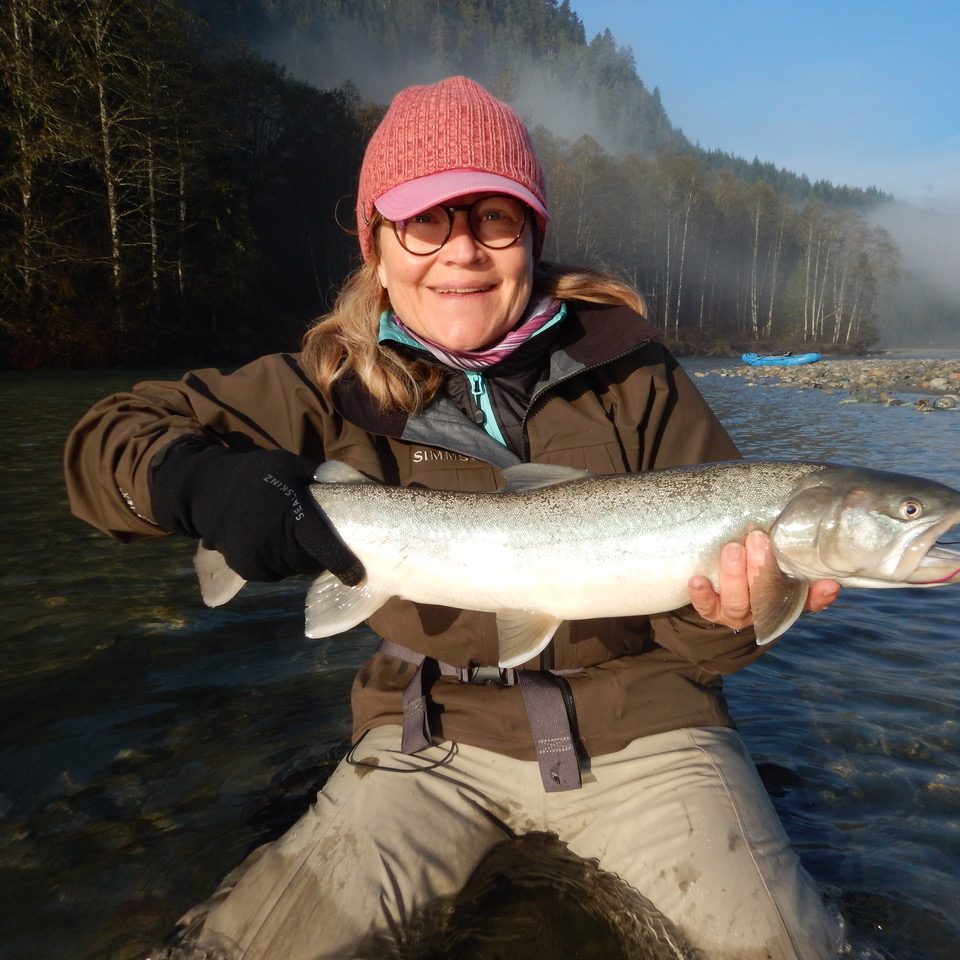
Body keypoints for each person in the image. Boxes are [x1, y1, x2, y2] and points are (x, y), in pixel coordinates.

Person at [65, 75, 842, 959]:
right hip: (422, 734)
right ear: (378, 245)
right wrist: (201, 487)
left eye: (493, 218)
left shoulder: (638, 375)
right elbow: (104, 445)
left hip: (649, 733)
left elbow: (713, 648)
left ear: (533, 235)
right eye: (426, 221)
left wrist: (733, 619)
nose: (461, 252)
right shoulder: (321, 388)